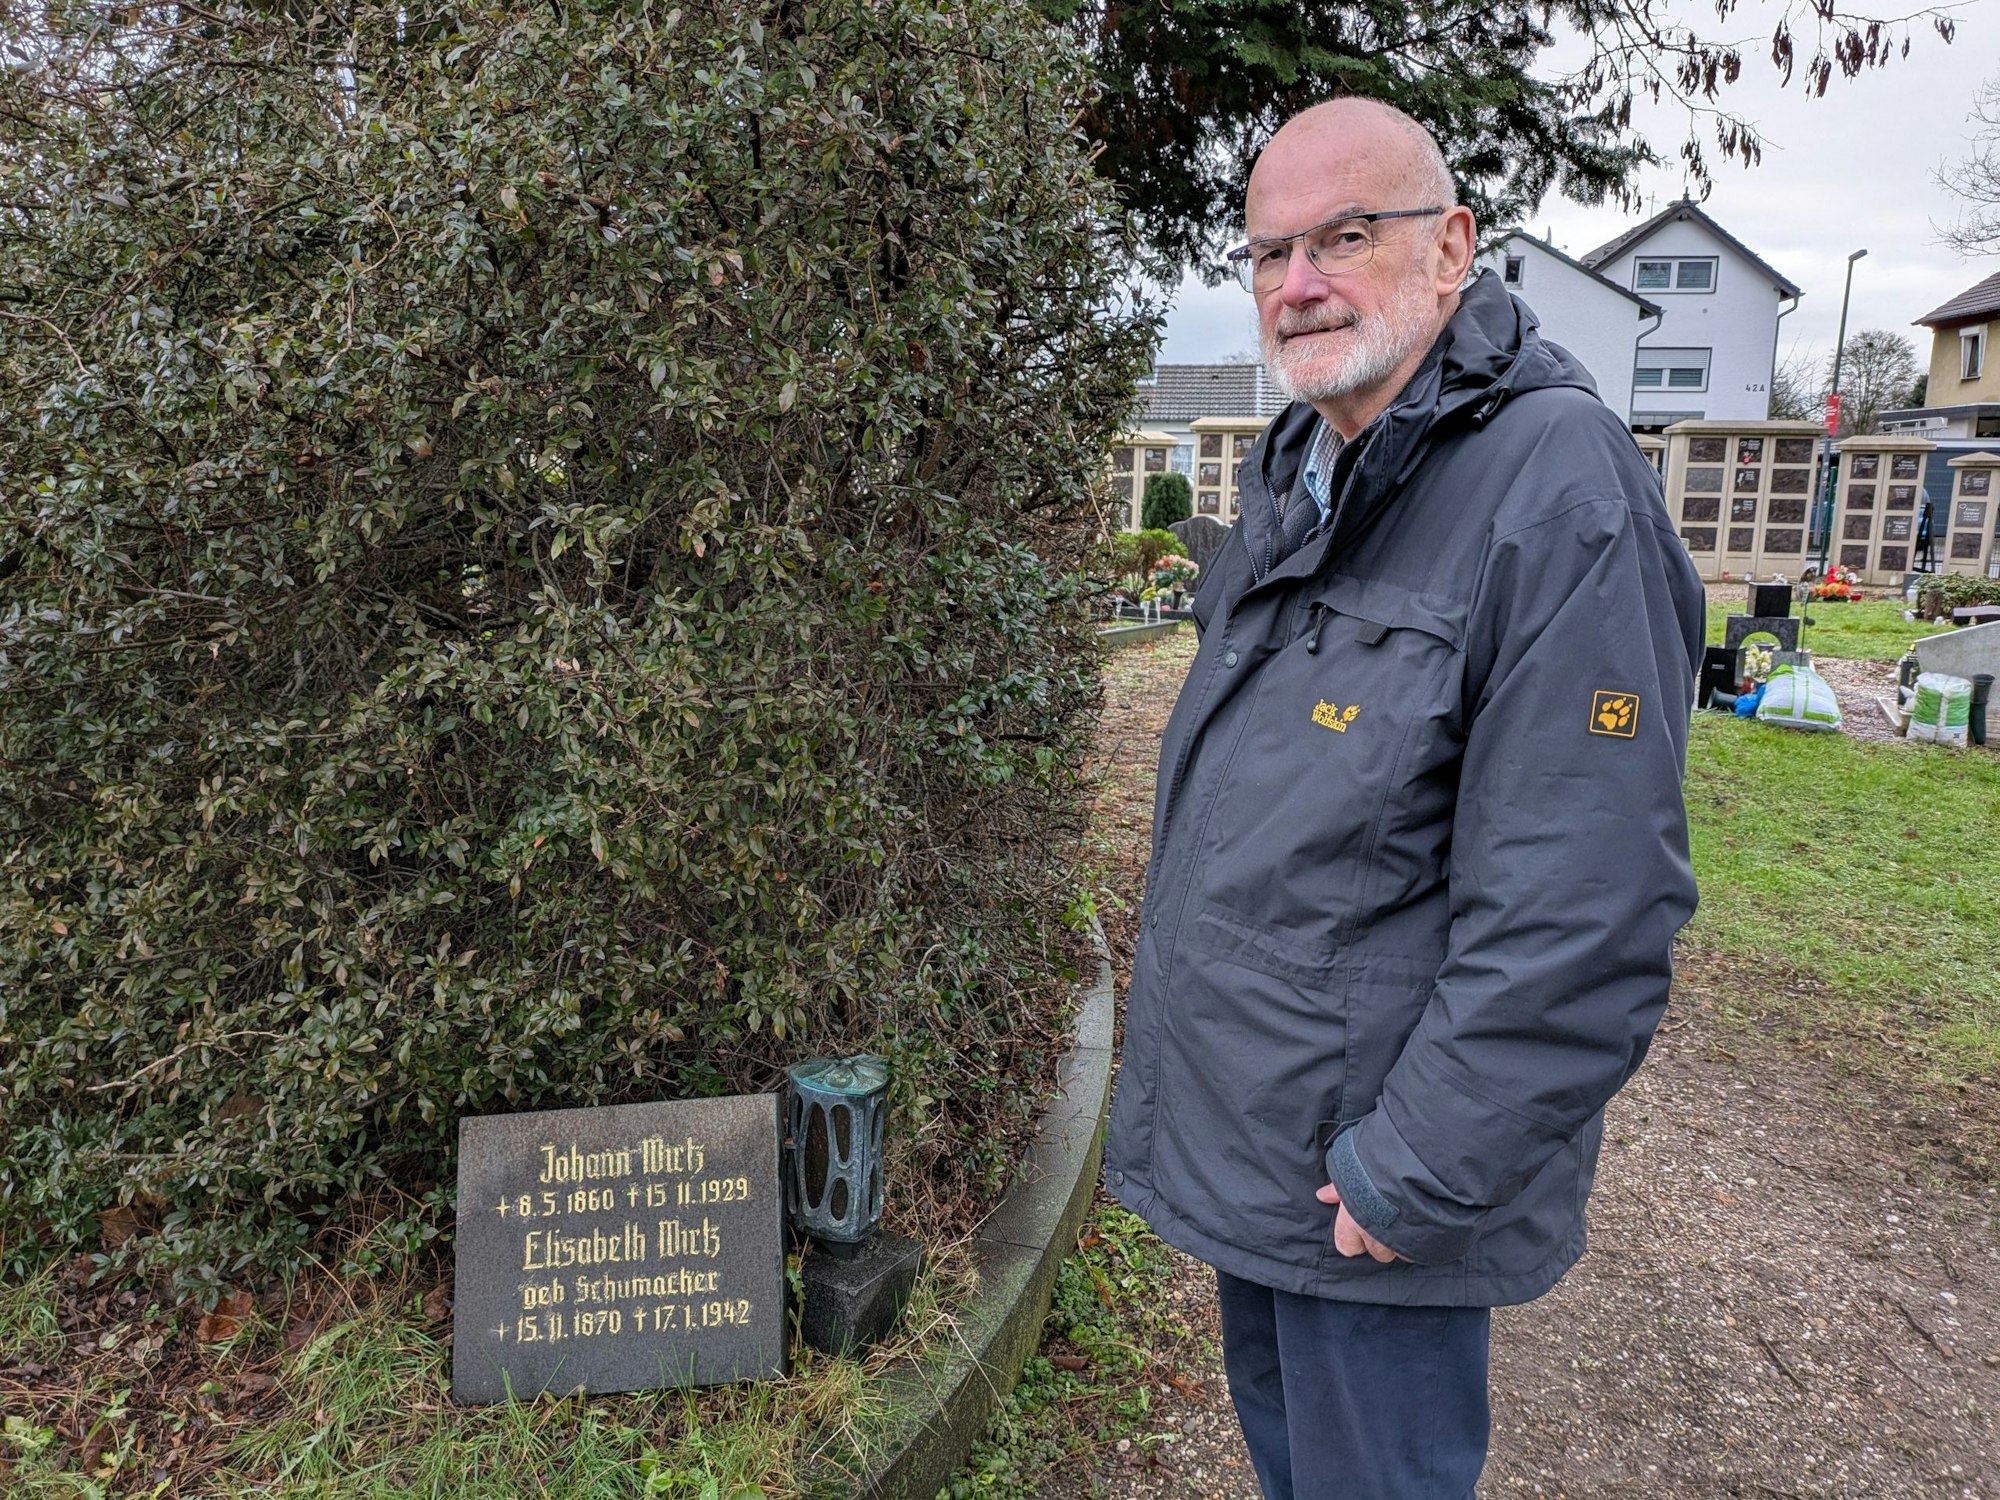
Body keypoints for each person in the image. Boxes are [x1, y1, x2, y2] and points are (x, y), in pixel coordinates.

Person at [1102, 98, 1705, 1500]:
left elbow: (1588, 903)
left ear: (1452, 249)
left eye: (1346, 237)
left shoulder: (1555, 493)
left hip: (1368, 1186)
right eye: (1269, 252)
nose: (1298, 282)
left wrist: (1412, 1173)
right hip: (1266, 1153)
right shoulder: (1308, 465)